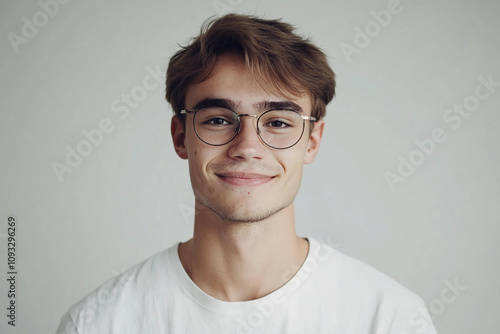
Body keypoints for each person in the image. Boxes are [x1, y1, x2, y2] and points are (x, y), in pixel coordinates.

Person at [57, 14, 436, 333]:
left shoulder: (390, 320)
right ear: (180, 136)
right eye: (219, 119)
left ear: (312, 141)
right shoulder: (99, 323)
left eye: (278, 123)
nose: (247, 147)